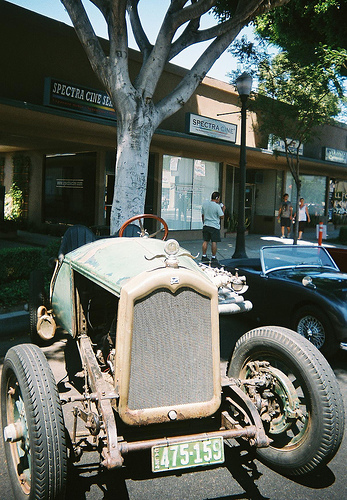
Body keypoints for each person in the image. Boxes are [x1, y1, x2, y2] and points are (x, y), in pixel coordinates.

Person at [201, 191, 224, 267]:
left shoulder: (205, 204)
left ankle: (204, 256)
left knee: (205, 241)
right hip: (214, 226)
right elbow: (222, 216)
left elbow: (203, 215)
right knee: (214, 242)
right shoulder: (217, 206)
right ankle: (213, 257)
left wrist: (204, 222)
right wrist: (223, 209)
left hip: (206, 225)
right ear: (217, 198)